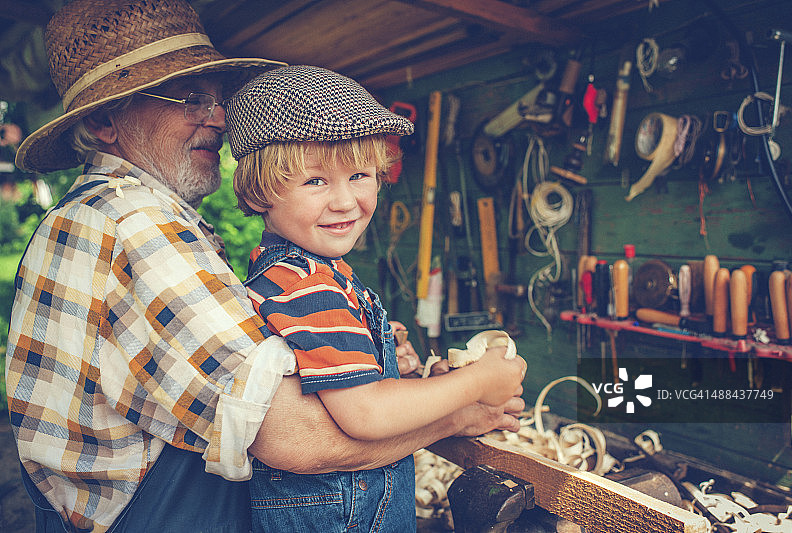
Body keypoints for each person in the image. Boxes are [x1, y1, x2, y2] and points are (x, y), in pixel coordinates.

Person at [6, 1, 526, 532]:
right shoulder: (133, 224)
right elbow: (292, 437)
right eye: (191, 99)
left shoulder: (92, 215)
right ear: (103, 120)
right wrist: (458, 413)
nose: (218, 117)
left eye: (216, 98)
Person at [225, 65, 527, 532]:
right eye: (315, 181)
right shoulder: (305, 284)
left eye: (360, 175)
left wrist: (427, 382)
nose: (346, 201)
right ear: (261, 190)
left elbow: (348, 389)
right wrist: (477, 383)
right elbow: (366, 412)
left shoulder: (317, 272)